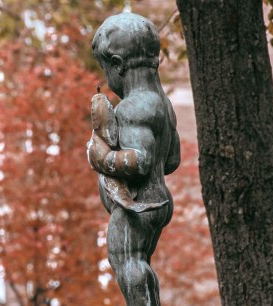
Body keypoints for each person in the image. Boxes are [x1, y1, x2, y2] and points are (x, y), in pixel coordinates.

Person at [87, 12, 180, 305]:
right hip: (158, 201)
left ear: (117, 64)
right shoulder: (163, 105)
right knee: (140, 262)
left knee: (126, 260)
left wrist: (101, 157)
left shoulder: (132, 108)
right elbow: (171, 160)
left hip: (137, 205)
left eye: (106, 69)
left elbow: (139, 162)